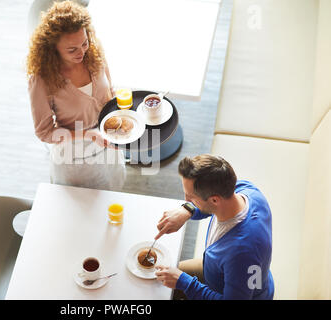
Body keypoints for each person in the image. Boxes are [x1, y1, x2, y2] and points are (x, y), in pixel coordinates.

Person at [26, 0, 125, 190]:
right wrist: (88, 134)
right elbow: (44, 132)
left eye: (84, 43)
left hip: (109, 146)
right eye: (72, 50)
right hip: (74, 159)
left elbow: (111, 88)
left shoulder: (93, 51)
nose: (82, 52)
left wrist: (121, 111)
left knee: (112, 194)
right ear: (53, 49)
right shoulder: (41, 79)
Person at [154, 154, 274, 299]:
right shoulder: (247, 191)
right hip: (221, 272)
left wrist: (186, 284)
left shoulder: (241, 253)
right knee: (157, 278)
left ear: (214, 200)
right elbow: (212, 203)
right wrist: (188, 210)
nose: (186, 200)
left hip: (238, 290)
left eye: (190, 197)